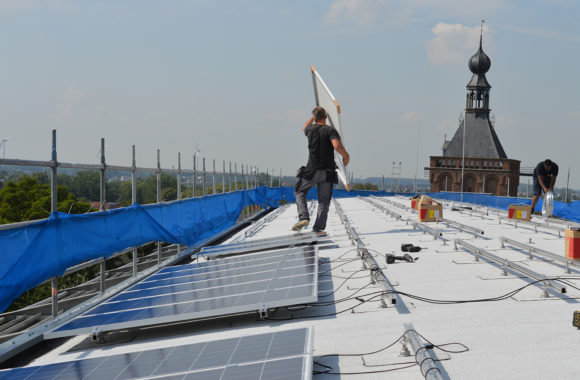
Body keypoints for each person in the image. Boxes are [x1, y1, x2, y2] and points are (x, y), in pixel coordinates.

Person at [292, 106, 350, 233]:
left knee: (299, 192)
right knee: (324, 202)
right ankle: (318, 229)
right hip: (327, 172)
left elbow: (304, 127)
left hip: (312, 170)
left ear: (315, 117)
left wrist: (313, 117)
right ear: (326, 117)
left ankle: (304, 217)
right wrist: (346, 156)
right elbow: (337, 145)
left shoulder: (310, 130)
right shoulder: (330, 130)